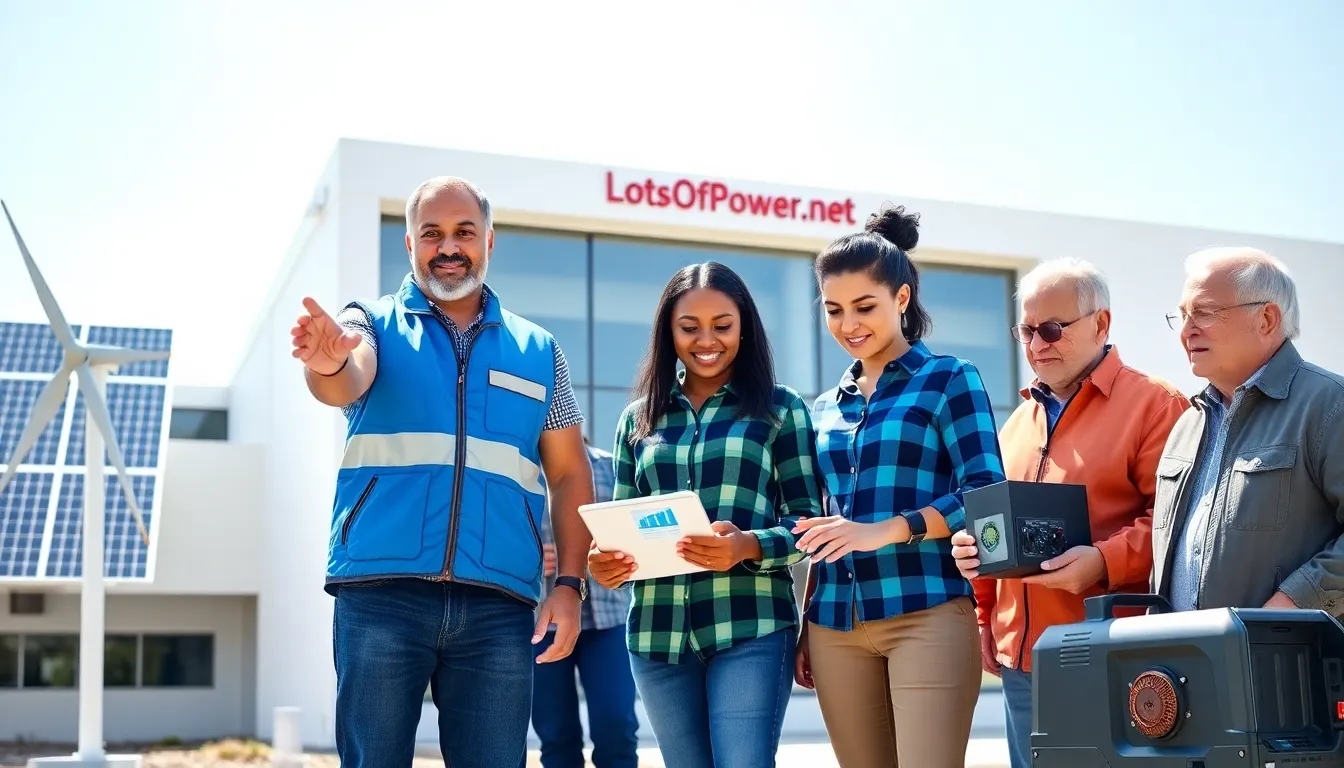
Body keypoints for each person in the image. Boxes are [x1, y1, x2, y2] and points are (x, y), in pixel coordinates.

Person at [289, 176, 595, 768]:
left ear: (489, 242)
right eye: (432, 234)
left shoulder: (539, 350)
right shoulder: (370, 323)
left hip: (498, 605)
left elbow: (568, 473)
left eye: (464, 232)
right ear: (409, 245)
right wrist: (328, 362)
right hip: (382, 596)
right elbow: (346, 374)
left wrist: (568, 588)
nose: (448, 247)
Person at [947, 258, 1189, 768]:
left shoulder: (1156, 405)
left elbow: (1177, 524)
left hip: (1110, 657)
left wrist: (1103, 561)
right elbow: (996, 527)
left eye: (1053, 329)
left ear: (1101, 324)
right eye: (1027, 331)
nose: (1038, 345)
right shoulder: (1015, 424)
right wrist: (985, 613)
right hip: (1023, 663)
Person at [791, 205, 1007, 768]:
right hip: (835, 622)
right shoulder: (823, 409)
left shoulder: (950, 379)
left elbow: (985, 490)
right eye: (834, 310)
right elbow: (825, 521)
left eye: (865, 307)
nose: (849, 324)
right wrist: (806, 623)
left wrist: (886, 530)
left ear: (902, 299)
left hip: (927, 611)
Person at [587, 261, 825, 768]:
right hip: (657, 633)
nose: (706, 340)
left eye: (722, 325)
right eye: (689, 327)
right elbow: (620, 525)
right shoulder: (637, 418)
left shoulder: (781, 410)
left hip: (752, 625)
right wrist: (603, 564)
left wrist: (747, 545)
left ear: (745, 327)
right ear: (668, 332)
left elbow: (808, 524)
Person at [1152, 247, 1344, 616]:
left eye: (1204, 313)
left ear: (1267, 319)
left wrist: (1291, 605)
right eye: (1182, 316)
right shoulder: (1186, 424)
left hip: (1286, 665)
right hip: (1183, 665)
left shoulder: (1329, 405)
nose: (1187, 331)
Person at [527, 436, 639, 768]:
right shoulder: (521, 467)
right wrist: (527, 556)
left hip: (609, 619)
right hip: (540, 624)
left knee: (616, 725)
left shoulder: (611, 466)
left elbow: (633, 535)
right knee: (556, 734)